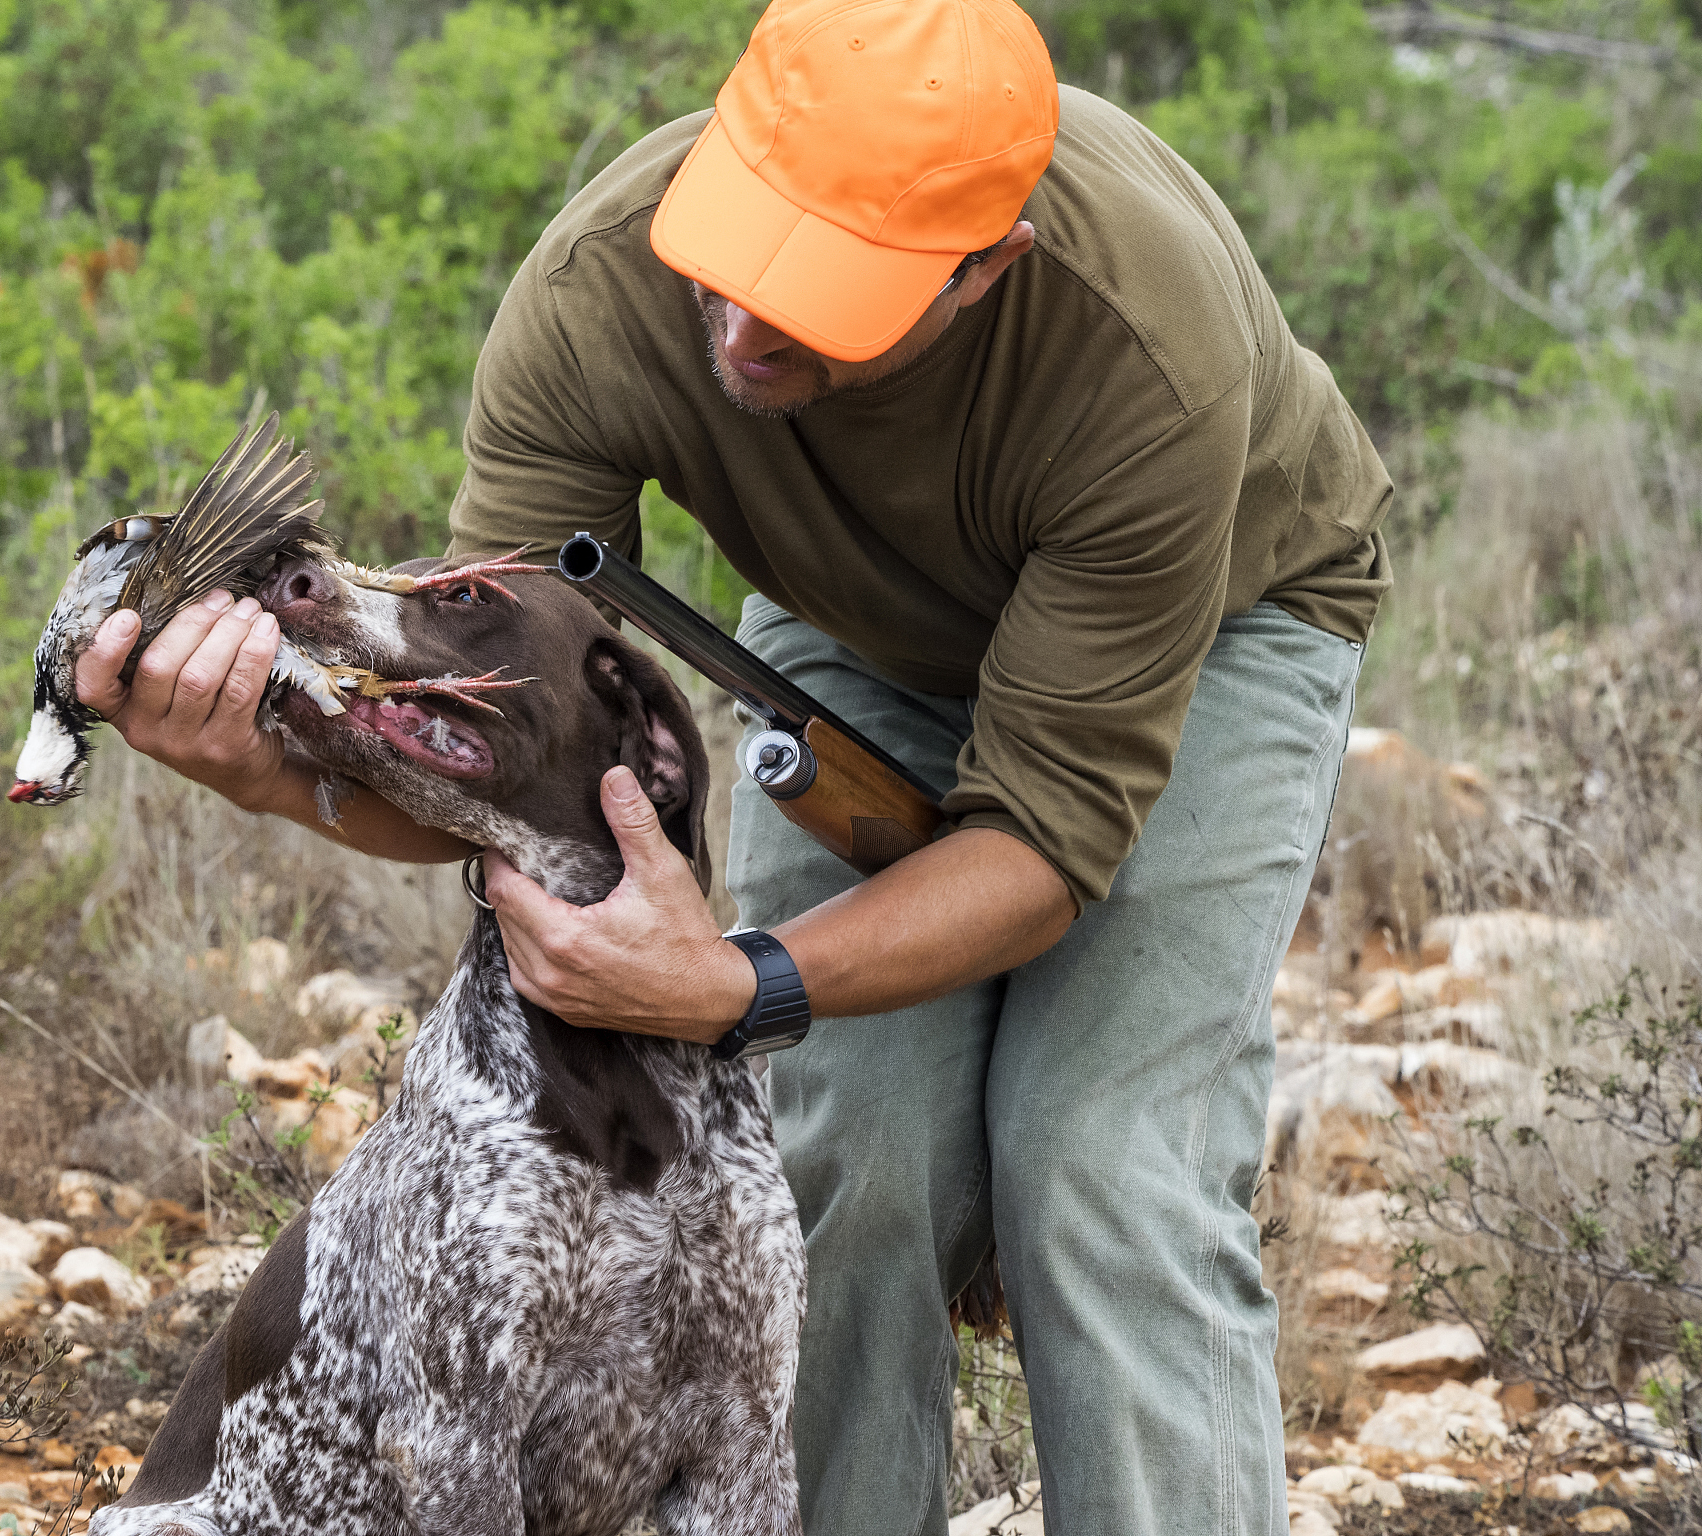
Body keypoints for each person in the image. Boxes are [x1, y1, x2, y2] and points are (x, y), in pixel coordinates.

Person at [77, 0, 1392, 1529]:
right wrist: (260, 767)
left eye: (823, 302)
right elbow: (495, 749)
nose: (746, 332)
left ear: (988, 269)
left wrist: (736, 985)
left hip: (1219, 622)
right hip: (859, 636)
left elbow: (1041, 845)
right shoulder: (598, 290)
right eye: (739, 255)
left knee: (1101, 1166)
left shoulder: (1143, 351)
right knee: (850, 1158)